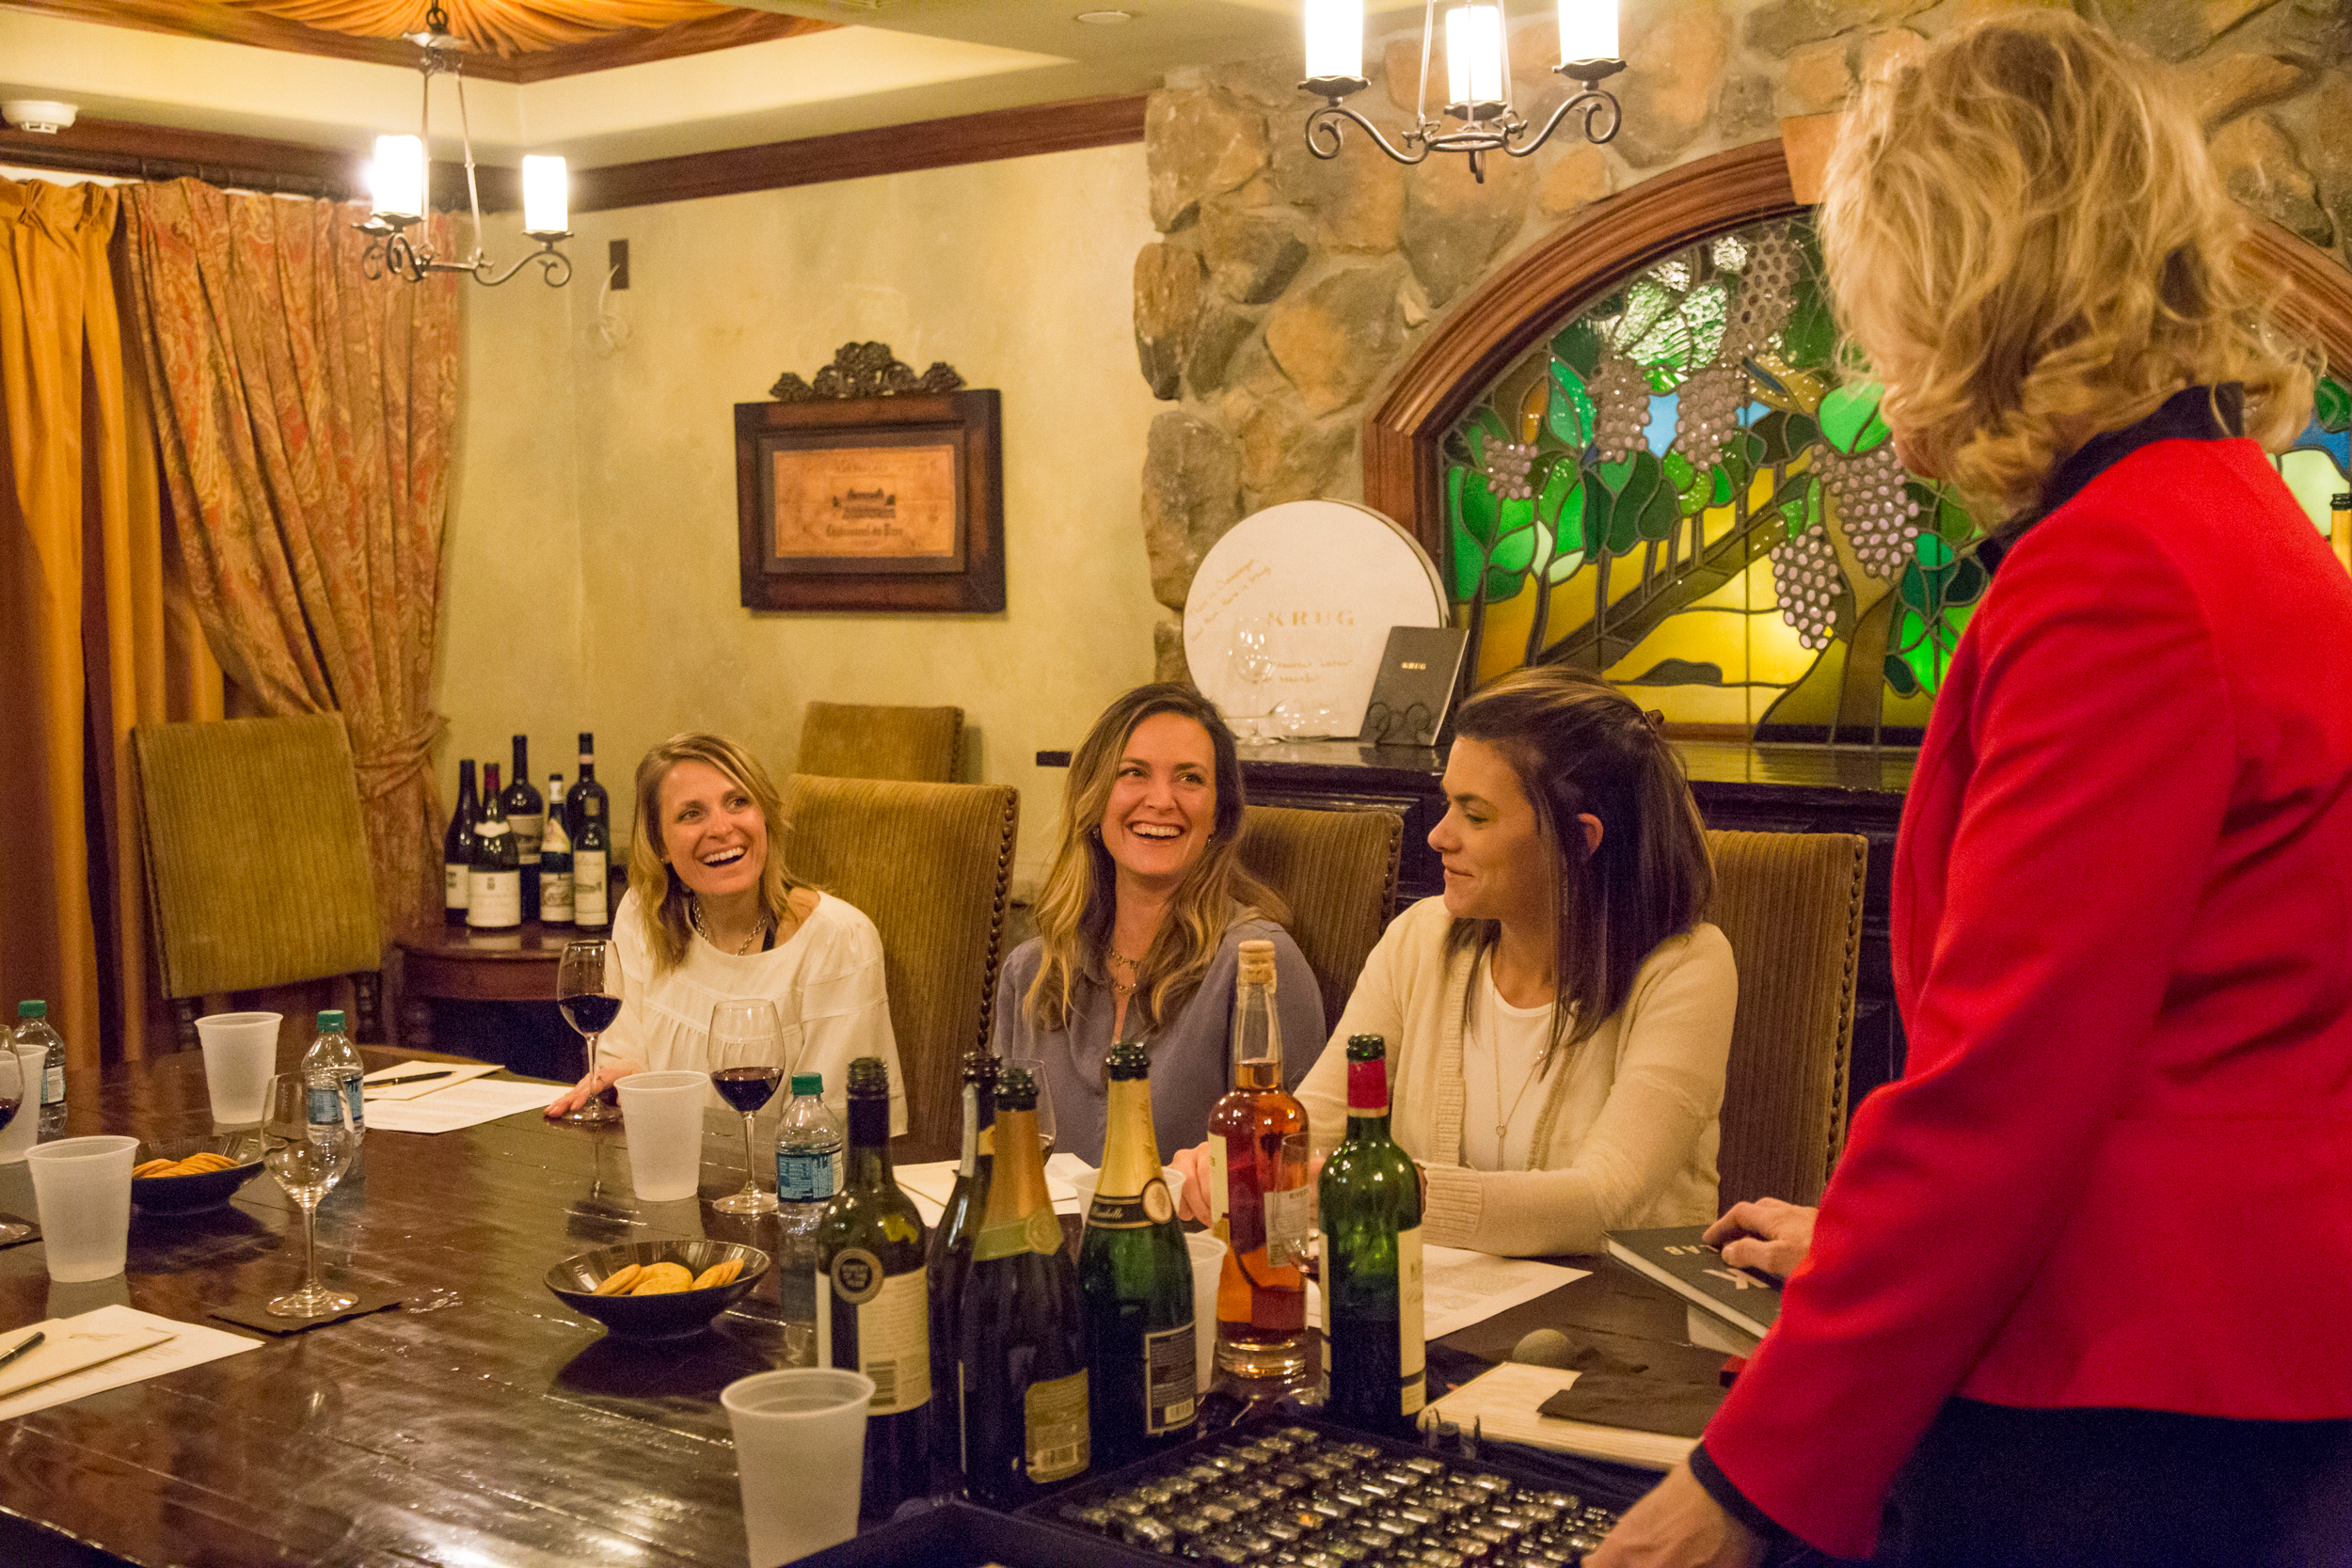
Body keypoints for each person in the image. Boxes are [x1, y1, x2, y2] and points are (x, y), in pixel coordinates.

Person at [1592, 16, 2352, 1568]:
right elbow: (2189, 1040)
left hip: (2130, 1411)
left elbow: (2005, 1089)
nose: (1870, 354)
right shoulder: (2229, 513)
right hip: (2234, 1362)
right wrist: (1861, 1245)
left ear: (1961, 279)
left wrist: (1746, 1481)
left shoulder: (2122, 571)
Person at [1222, 662, 1736, 1258]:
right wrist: (1243, 1164)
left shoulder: (1686, 969)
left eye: (1476, 814)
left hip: (1622, 1312)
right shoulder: (1420, 939)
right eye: (1449, 805)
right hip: (1439, 1303)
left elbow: (1604, 1202)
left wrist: (1400, 1193)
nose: (1439, 835)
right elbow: (1315, 1127)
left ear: (1580, 840)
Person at [992, 684, 1322, 1164]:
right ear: (1093, 799)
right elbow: (998, 1163)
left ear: (1219, 814)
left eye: (1190, 778)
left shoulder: (1259, 966)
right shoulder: (1031, 971)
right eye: (1133, 773)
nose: (1162, 800)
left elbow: (1288, 1175)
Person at [543, 732, 905, 1132]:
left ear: (764, 817)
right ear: (660, 844)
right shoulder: (643, 915)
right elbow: (624, 1074)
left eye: (738, 802)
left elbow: (831, 1128)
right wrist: (621, 1084)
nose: (720, 828)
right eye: (691, 814)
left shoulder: (839, 941)